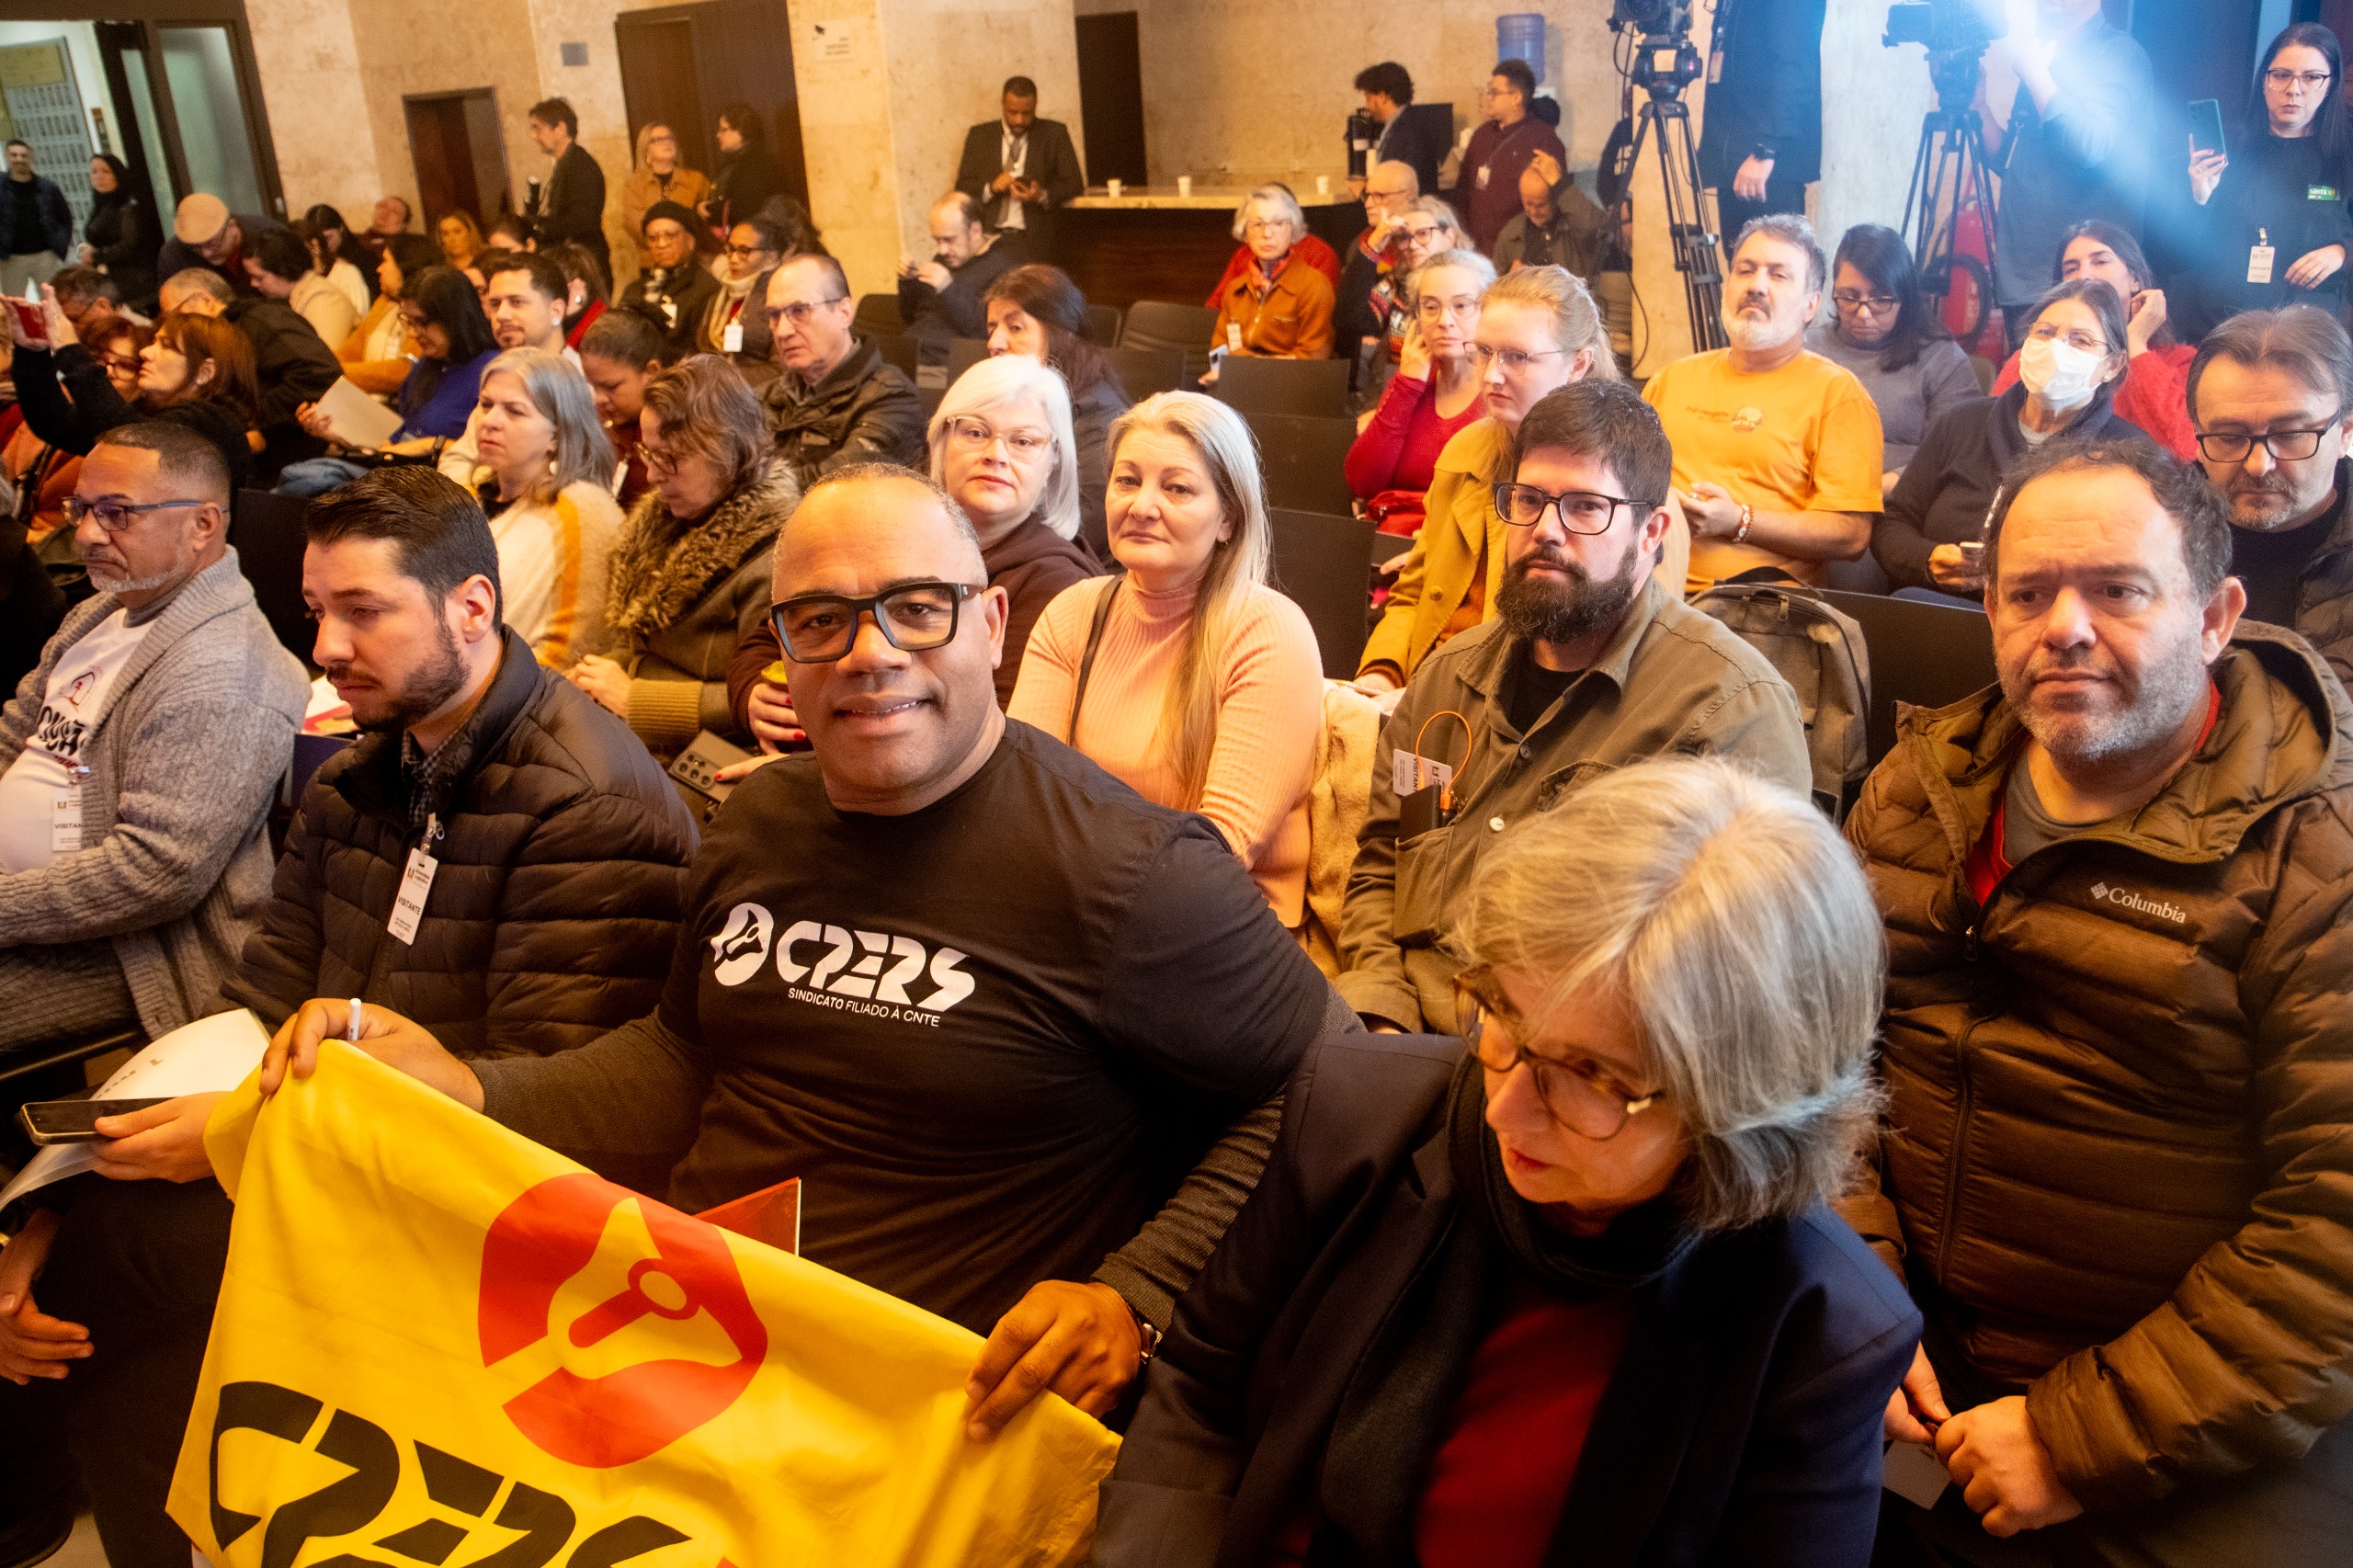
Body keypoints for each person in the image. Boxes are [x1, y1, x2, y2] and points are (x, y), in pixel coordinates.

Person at [247, 461, 1341, 1458]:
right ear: (781, 647)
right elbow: (681, 1056)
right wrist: (473, 1088)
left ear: (992, 622)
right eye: (821, 619)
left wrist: (1137, 1294)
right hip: (683, 1351)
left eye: (918, 607)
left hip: (919, 1418)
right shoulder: (760, 817)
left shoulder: (1132, 869)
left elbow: (1331, 1086)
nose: (871, 652)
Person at [0, 465, 697, 1568]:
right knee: (88, 1274)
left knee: (108, 1260)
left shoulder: (585, 804)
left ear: (472, 606)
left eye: (364, 611)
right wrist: (65, 1190)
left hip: (470, 1215)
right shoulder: (363, 775)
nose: (325, 647)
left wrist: (238, 1134)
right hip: (334, 1147)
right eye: (319, 610)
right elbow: (261, 997)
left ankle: (21, 1485)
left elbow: (539, 1117)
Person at [1101, 756, 1914, 1568]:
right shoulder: (1356, 1112)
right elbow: (1201, 1389)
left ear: (1740, 1113)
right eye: (1503, 1015)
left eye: (1590, 1074)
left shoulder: (1821, 1330)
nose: (1502, 1110)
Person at [1847, 437, 2353, 1566]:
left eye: (2117, 590)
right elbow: (1818, 1064)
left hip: (2184, 1391)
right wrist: (1856, 1293)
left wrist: (2077, 1438)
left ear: (2215, 617)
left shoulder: (2318, 850)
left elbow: (2335, 1228)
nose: (2063, 627)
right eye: (2028, 593)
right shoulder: (1917, 787)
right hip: (1909, 1349)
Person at [1341, 380, 1806, 1033]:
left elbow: (1730, 975)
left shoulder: (1728, 709)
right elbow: (1383, 863)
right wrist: (1382, 1014)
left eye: (1586, 507)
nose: (1545, 531)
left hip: (1566, 1061)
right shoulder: (1446, 678)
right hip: (1403, 1030)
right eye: (1528, 500)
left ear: (1651, 532)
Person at [0, 422, 305, 1055]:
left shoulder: (225, 673)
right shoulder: (103, 611)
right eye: (82, 509)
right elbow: (12, 738)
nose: (87, 533)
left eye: (117, 513)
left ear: (202, 525)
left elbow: (153, 876)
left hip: (128, 952)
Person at [1012, 392, 1322, 922]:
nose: (1141, 506)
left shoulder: (1268, 630)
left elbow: (1220, 852)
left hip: (1220, 925)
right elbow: (1023, 798)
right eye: (1127, 481)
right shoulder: (1072, 612)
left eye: (1177, 488)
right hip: (1077, 907)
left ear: (1228, 519)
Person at [730, 352, 1097, 739]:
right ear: (941, 441)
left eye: (1023, 441)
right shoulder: (887, 526)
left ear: (1053, 462)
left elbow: (997, 733)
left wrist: (809, 764)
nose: (996, 455)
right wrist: (754, 698)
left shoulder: (1058, 582)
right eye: (975, 433)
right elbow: (768, 637)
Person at [1356, 266, 1626, 693]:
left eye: (1517, 357)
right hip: (1424, 683)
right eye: (1483, 352)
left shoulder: (1617, 481)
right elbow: (1413, 595)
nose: (1490, 375)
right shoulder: (1466, 450)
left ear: (1578, 364)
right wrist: (1381, 673)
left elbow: (1604, 652)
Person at [1642, 214, 1881, 591]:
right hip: (1645, 591)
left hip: (1756, 604)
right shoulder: (1670, 379)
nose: (1756, 286)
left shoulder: (1838, 394)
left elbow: (1850, 535)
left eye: (1779, 275)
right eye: (1745, 270)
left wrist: (1740, 521)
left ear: (1811, 305)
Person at [572, 355, 796, 757]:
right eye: (648, 454)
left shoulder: (776, 556)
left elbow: (767, 703)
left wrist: (635, 699)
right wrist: (594, 676)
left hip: (701, 758)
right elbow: (644, 650)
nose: (653, 476)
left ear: (727, 450)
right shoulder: (670, 521)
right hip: (643, 742)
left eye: (669, 458)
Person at [1877, 279, 2148, 596]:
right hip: (1936, 604)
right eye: (2045, 332)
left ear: (2112, 365)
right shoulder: (1961, 422)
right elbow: (1892, 524)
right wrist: (1927, 560)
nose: (2056, 348)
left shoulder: (2129, 455)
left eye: (2080, 340)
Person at [2187, 304, 2353, 683]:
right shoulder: (2146, 535)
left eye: (2291, 435)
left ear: (2345, 432)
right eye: (2229, 437)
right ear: (2197, 437)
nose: (2258, 464)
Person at [1984, 0, 2154, 344]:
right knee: (2027, 376)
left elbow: (2087, 144)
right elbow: (2016, 161)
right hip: (2025, 273)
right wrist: (1978, 107)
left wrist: (2036, 73)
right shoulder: (2046, 53)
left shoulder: (2117, 54)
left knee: (2079, 375)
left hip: (2081, 280)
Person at [442, 347, 621, 667]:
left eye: (514, 411)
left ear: (557, 434)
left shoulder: (585, 512)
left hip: (519, 690)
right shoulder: (468, 495)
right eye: (486, 405)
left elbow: (576, 648)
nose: (490, 421)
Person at [2186, 24, 2353, 332]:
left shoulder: (2345, 153)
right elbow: (2184, 252)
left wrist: (2342, 253)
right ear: (2264, 80)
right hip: (2223, 322)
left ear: (2330, 85)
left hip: (2308, 328)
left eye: (2311, 77)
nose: (2294, 89)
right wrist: (2201, 198)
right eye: (2281, 75)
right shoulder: (2231, 146)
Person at [281, 265, 498, 495]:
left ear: (455, 317)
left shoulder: (492, 372)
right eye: (409, 322)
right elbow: (393, 445)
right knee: (300, 478)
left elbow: (491, 456)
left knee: (312, 482)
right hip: (398, 475)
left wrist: (433, 445)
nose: (413, 334)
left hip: (443, 488)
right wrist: (341, 434)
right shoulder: (425, 367)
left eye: (422, 322)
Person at [1991, 221, 2196, 460]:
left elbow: (2186, 449)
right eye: (2071, 269)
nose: (2083, 275)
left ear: (2135, 279)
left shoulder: (2179, 361)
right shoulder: (2036, 355)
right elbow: (1992, 434)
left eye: (2100, 262)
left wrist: (2135, 345)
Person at [10, 296, 258, 492]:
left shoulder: (213, 421)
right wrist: (32, 352)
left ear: (205, 372)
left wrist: (70, 350)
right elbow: (56, 424)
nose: (145, 353)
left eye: (166, 346)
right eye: (155, 342)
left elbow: (130, 442)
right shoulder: (156, 416)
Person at [1806, 223, 1983, 494]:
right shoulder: (1807, 348)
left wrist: (1865, 491)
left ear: (1905, 298)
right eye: (1849, 297)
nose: (1863, 313)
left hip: (1899, 500)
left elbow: (1954, 453)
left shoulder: (1941, 359)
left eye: (1881, 300)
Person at [985, 261, 1130, 559]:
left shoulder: (1099, 414)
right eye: (992, 327)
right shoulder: (996, 398)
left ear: (1059, 334)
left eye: (1015, 328)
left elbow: (1086, 525)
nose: (994, 342)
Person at [1347, 247, 1494, 536]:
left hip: (1462, 542)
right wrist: (1406, 384)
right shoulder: (1411, 381)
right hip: (1392, 537)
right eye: (1430, 307)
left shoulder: (1501, 388)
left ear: (1488, 311)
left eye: (1461, 306)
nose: (1444, 321)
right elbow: (1362, 482)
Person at [758, 253, 926, 487]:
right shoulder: (764, 396)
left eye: (799, 311)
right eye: (774, 315)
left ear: (844, 313)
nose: (782, 331)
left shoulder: (892, 400)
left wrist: (744, 487)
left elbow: (836, 486)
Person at [160, 266, 340, 481]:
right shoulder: (228, 335)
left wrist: (255, 425)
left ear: (204, 300)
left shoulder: (261, 320)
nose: (172, 325)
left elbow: (319, 373)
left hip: (299, 465)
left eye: (173, 314)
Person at [3, 317, 149, 548]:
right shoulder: (58, 411)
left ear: (143, 379)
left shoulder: (133, 439)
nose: (107, 371)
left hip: (61, 550)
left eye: (125, 365)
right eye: (98, 359)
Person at [1697, 0, 1827, 237]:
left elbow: (1794, 69)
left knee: (1777, 255)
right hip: (1734, 158)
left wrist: (1766, 149)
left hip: (1768, 165)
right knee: (1739, 257)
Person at [1206, 185, 1336, 371]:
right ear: (1245, 233)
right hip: (1239, 379)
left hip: (1291, 382)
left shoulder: (1314, 286)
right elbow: (1219, 352)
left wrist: (1252, 364)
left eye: (1278, 223)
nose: (1267, 234)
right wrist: (1219, 373)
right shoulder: (1236, 288)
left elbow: (1313, 360)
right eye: (1257, 225)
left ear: (1293, 230)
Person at [955, 75, 1086, 256]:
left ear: (1035, 105)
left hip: (1034, 241)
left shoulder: (1054, 134)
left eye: (1026, 113)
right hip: (988, 238)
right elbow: (962, 187)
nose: (1019, 120)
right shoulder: (979, 136)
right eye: (1012, 112)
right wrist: (990, 188)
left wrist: (1041, 195)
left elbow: (1074, 184)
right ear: (1003, 104)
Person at [1452, 60, 1566, 256]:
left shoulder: (1542, 139)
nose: (1488, 98)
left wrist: (1529, 255)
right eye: (1488, 91)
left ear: (1516, 97)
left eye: (1494, 92)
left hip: (1518, 253)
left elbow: (1552, 208)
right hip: (1475, 250)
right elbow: (1463, 190)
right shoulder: (1481, 134)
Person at [898, 192, 1023, 356]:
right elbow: (910, 317)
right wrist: (908, 282)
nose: (942, 250)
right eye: (937, 240)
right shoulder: (943, 259)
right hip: (910, 351)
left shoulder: (1005, 267)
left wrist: (948, 289)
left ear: (975, 230)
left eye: (949, 240)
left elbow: (985, 331)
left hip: (948, 360)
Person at [1335, 159, 1421, 374]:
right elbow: (1347, 321)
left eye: (1379, 196)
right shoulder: (1363, 244)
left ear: (1408, 196)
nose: (1368, 204)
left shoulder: (1429, 243)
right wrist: (1372, 248)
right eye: (1367, 195)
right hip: (1386, 368)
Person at [334, 232, 442, 399]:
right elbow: (351, 351)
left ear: (405, 266)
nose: (379, 269)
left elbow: (404, 370)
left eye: (385, 261)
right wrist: (324, 368)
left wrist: (336, 373)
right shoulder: (383, 302)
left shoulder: (428, 309)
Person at [579, 305, 665, 508]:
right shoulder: (596, 425)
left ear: (651, 372)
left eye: (611, 387)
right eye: (593, 386)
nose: (599, 398)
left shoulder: (679, 433)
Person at [618, 200, 719, 362]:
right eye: (653, 238)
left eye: (670, 235)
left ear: (691, 241)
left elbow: (703, 353)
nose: (661, 244)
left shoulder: (706, 288)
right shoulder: (635, 290)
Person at [1490, 149, 1613, 277]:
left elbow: (1595, 227)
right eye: (1528, 204)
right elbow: (1493, 280)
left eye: (1540, 205)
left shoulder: (1574, 228)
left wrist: (1560, 185)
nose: (1533, 211)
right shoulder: (1511, 234)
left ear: (1556, 198)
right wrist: (1510, 278)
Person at [525, 97, 609, 279]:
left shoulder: (580, 165)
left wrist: (539, 227)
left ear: (560, 128)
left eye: (538, 128)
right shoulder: (565, 164)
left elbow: (581, 221)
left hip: (585, 267)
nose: (533, 136)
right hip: (577, 264)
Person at [249, 222, 356, 351]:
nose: (253, 284)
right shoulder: (293, 296)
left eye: (259, 278)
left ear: (284, 270)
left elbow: (324, 358)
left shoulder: (323, 299)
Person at [700, 217, 783, 376]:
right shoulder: (719, 295)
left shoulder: (779, 297)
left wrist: (729, 382)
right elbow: (701, 348)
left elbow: (781, 370)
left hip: (755, 387)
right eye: (730, 248)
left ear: (770, 257)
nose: (733, 258)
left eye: (744, 251)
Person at [1351, 62, 1444, 199]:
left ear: (1382, 97)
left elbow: (1406, 186)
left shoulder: (1410, 130)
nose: (1366, 106)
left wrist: (1363, 192)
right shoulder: (1401, 125)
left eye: (1368, 98)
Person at [153, 196, 276, 296]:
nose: (206, 254)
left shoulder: (268, 235)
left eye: (213, 244)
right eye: (196, 247)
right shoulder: (173, 255)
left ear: (231, 225)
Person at [76, 153, 157, 303]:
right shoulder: (101, 203)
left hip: (132, 278)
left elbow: (129, 245)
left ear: (118, 175)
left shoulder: (128, 206)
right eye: (94, 171)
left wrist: (95, 255)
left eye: (105, 171)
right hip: (111, 274)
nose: (99, 177)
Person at [619, 119, 712, 241]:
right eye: (657, 140)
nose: (666, 142)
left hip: (690, 249)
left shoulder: (696, 180)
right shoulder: (634, 185)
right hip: (652, 250)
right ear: (646, 149)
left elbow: (708, 223)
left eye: (669, 138)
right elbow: (636, 226)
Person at [0, 140, 71, 296]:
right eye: (14, 155)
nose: (19, 159)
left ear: (31, 157)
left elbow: (65, 218)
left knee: (52, 301)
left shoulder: (48, 188)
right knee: (14, 304)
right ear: (6, 156)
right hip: (11, 258)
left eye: (24, 155)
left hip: (45, 256)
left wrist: (60, 243)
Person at [700, 102, 785, 232]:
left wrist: (707, 210)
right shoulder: (734, 161)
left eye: (723, 130)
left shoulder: (758, 164)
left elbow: (744, 208)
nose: (718, 135)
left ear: (741, 130)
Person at [481, 249, 575, 360]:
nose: (501, 315)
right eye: (495, 304)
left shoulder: (583, 371)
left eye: (517, 302)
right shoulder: (488, 370)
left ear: (556, 311)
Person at [299, 204, 373, 315]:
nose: (323, 244)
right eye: (319, 239)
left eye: (328, 237)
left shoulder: (362, 260)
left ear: (341, 229)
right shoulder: (306, 265)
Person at [435, 209, 483, 274]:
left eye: (457, 231)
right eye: (445, 234)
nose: (452, 239)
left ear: (469, 232)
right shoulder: (439, 271)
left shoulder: (488, 261)